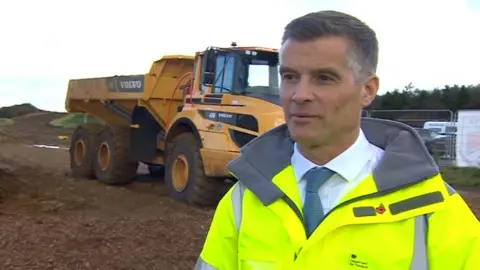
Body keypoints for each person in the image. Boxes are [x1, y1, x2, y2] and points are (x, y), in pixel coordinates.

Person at [195, 10, 480, 270]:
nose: (299, 94)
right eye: (290, 76)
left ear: (368, 90)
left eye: (324, 78)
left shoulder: (432, 209)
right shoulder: (244, 200)